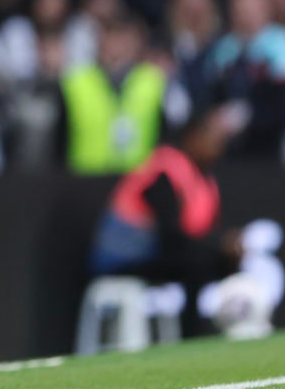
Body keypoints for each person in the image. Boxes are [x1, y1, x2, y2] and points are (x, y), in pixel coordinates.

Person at [88, 108, 241, 336]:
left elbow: (200, 232)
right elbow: (170, 234)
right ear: (192, 137)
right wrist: (218, 245)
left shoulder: (204, 179)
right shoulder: (165, 169)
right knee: (196, 262)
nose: (217, 143)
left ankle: (231, 327)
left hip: (154, 251)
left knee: (220, 259)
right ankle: (192, 336)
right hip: (123, 254)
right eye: (210, 135)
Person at [59, 13, 167, 175]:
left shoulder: (154, 80)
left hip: (137, 186)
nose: (115, 45)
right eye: (109, 36)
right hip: (84, 183)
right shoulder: (75, 81)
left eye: (122, 37)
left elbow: (167, 134)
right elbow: (60, 136)